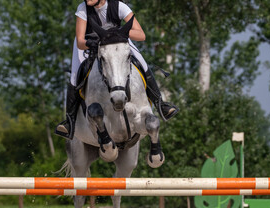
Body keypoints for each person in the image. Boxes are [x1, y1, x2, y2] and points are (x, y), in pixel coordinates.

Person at [55, 0, 179, 140]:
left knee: (142, 63)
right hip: (90, 44)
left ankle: (161, 104)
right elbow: (80, 40)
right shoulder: (82, 8)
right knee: (75, 75)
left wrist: (119, 33)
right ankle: (69, 122)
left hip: (117, 41)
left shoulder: (119, 6)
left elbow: (141, 35)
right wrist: (91, 43)